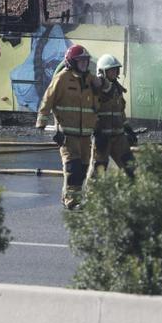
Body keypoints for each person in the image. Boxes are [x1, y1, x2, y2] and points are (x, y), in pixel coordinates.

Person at [36, 44, 99, 209]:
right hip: (68, 134)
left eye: (86, 61)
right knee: (73, 168)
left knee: (84, 168)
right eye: (81, 61)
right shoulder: (62, 79)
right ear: (72, 62)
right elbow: (48, 99)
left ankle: (70, 198)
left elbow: (97, 102)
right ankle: (71, 201)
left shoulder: (90, 80)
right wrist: (41, 122)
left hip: (85, 135)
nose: (84, 64)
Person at [90, 53, 136, 179]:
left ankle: (133, 197)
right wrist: (96, 132)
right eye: (111, 70)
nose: (115, 72)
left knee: (131, 169)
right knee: (98, 173)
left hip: (119, 138)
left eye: (116, 69)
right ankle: (92, 198)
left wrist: (128, 129)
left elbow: (120, 112)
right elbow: (91, 112)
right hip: (102, 138)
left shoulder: (117, 89)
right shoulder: (96, 90)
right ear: (103, 72)